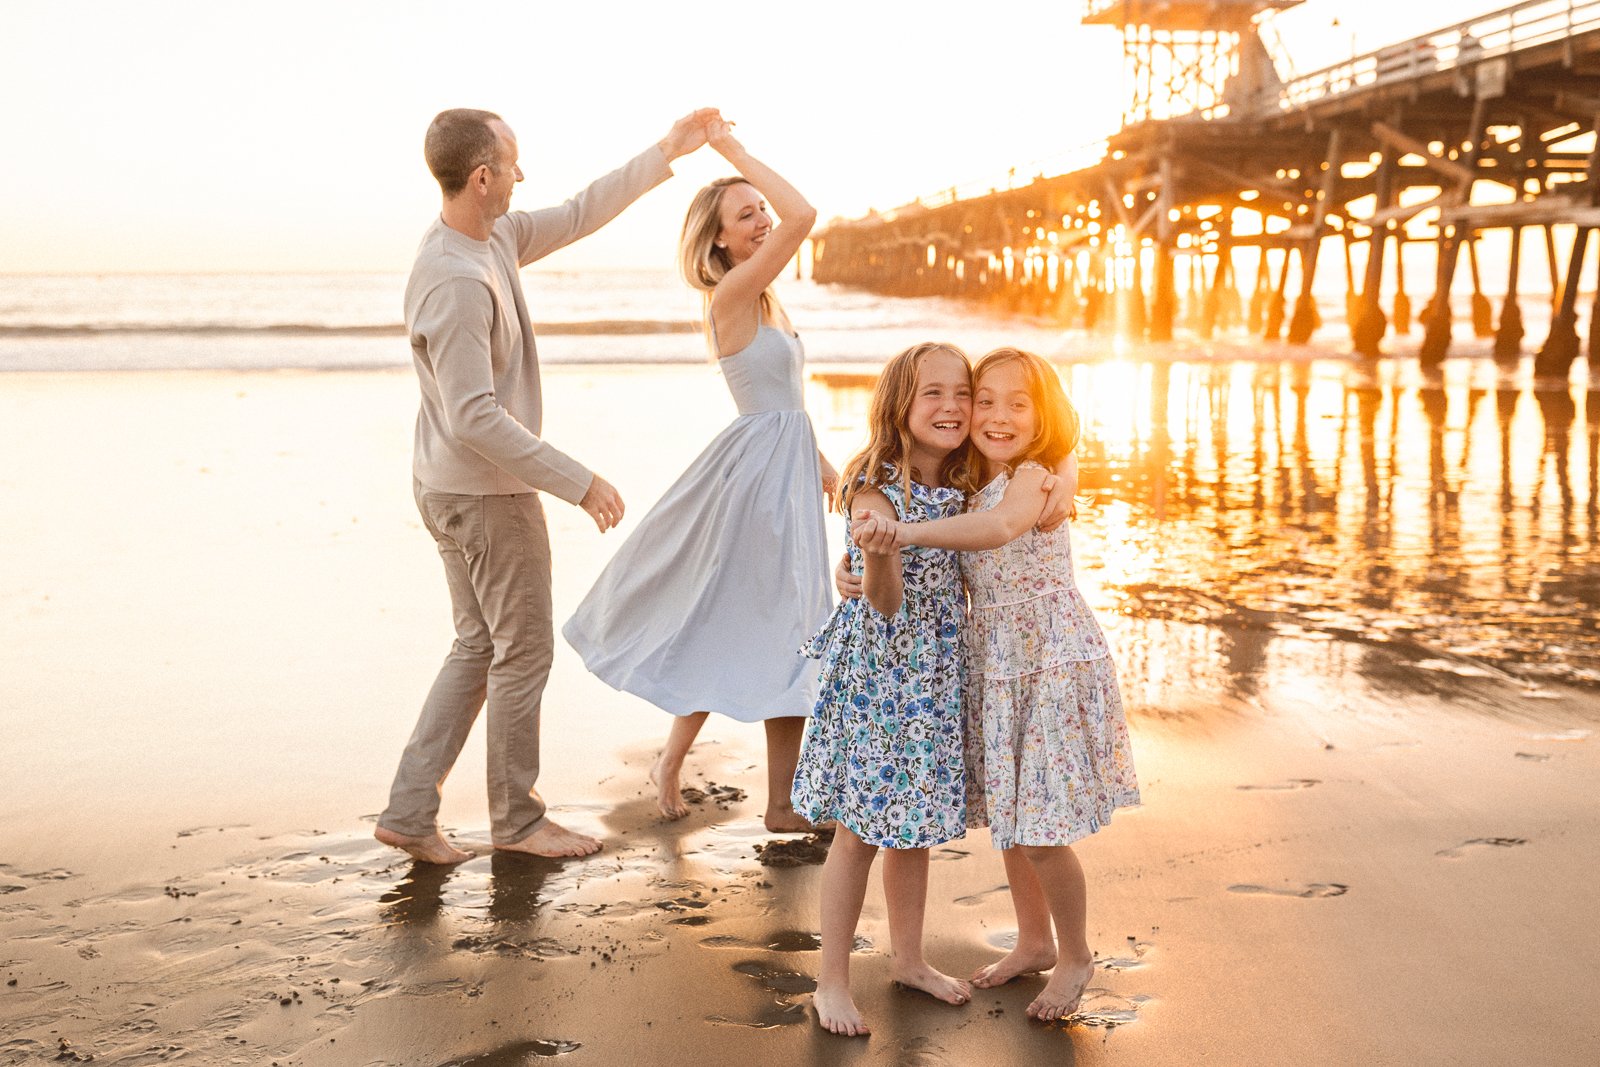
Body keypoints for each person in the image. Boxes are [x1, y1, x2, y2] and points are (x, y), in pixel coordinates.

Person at [375, 106, 719, 866]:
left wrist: (666, 149)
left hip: (450, 485)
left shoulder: (489, 235)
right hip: (483, 496)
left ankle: (408, 807)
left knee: (477, 645)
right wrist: (578, 480)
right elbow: (473, 417)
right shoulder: (456, 281)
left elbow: (578, 213)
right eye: (513, 163)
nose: (524, 177)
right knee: (521, 652)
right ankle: (518, 821)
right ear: (482, 177)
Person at [854, 347, 1141, 1021]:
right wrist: (860, 563)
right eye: (987, 400)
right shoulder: (972, 470)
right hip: (996, 657)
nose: (998, 415)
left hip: (1047, 655)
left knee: (1041, 827)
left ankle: (1075, 955)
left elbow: (999, 527)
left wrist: (904, 533)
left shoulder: (1035, 472)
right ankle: (1035, 939)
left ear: (1045, 417)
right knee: (1013, 819)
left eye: (1019, 404)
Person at [564, 120, 835, 832]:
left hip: (786, 471)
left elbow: (785, 405)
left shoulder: (767, 299)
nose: (763, 219)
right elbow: (804, 215)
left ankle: (776, 800)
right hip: (756, 488)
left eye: (759, 211)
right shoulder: (734, 296)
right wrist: (736, 157)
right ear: (718, 239)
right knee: (768, 625)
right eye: (745, 214)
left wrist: (824, 463)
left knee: (784, 628)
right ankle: (764, 797)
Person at [791, 342, 1000, 1036]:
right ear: (900, 406)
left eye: (961, 392)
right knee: (858, 832)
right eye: (932, 393)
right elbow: (882, 603)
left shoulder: (973, 479)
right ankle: (831, 982)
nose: (951, 407)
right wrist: (874, 558)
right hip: (882, 678)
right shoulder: (876, 486)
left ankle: (907, 957)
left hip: (936, 675)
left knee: (911, 829)